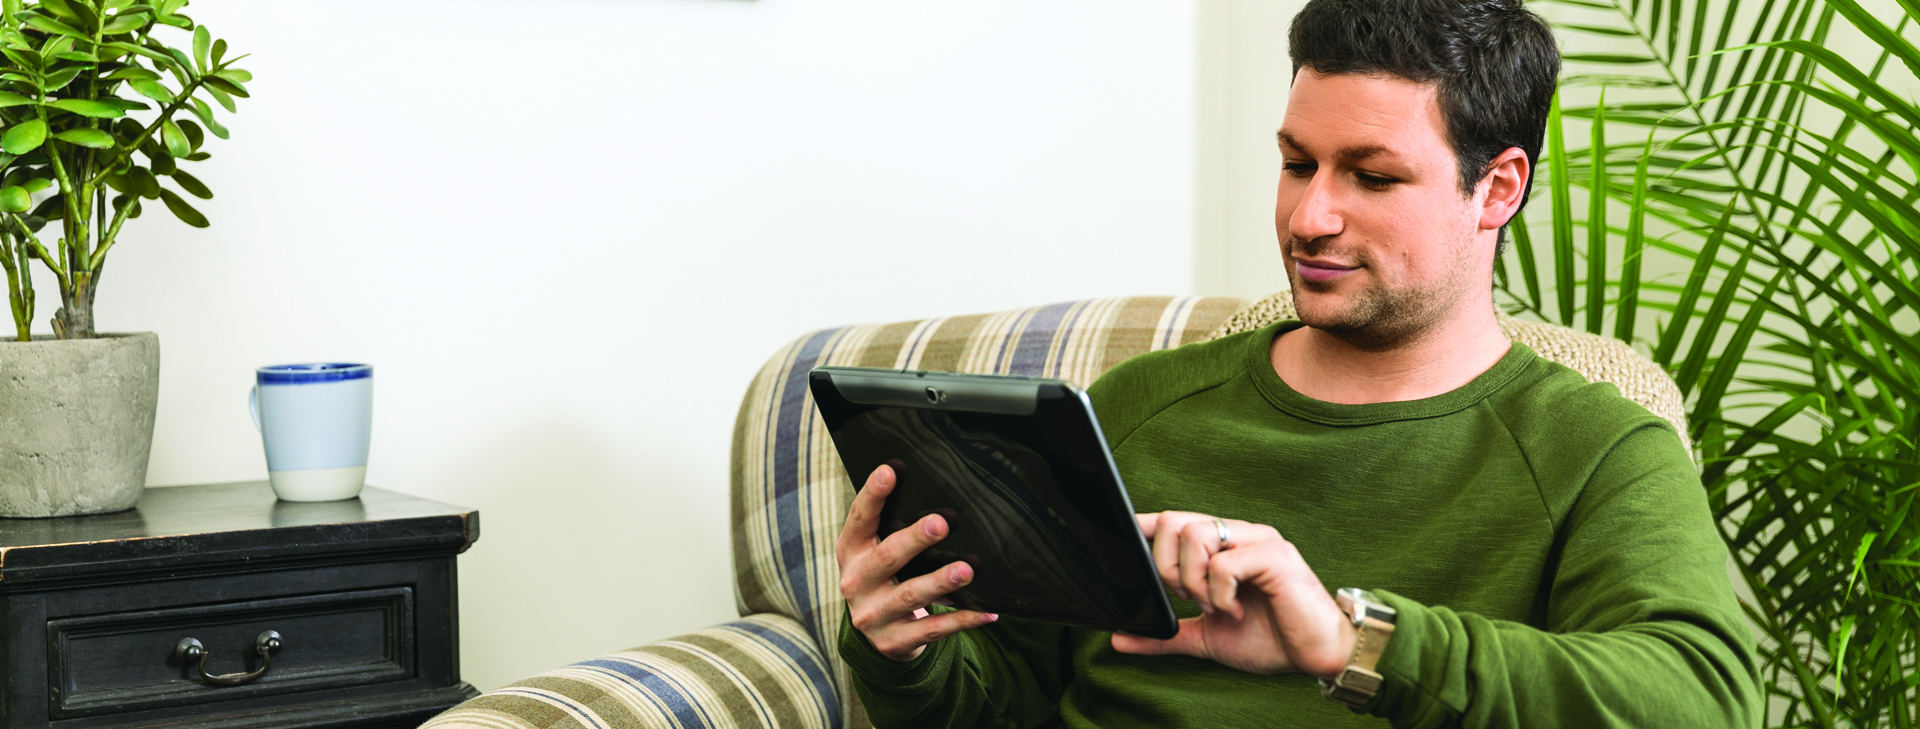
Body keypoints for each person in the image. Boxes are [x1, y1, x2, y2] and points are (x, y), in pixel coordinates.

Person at [833, 0, 1762, 725]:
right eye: (1295, 163)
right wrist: (905, 647)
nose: (1310, 217)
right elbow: (1004, 705)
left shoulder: (1600, 449)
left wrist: (1354, 642)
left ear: (1498, 188)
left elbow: (1702, 702)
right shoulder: (1133, 409)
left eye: (1372, 175)